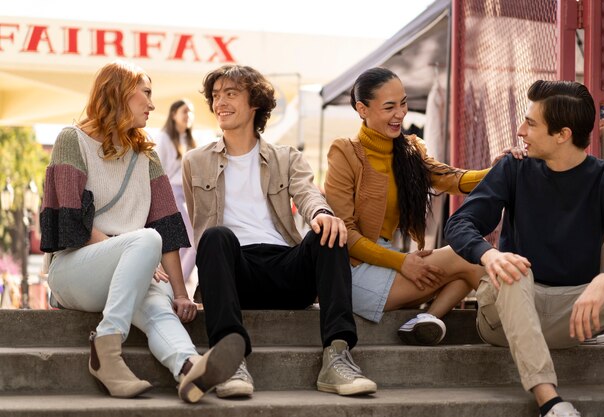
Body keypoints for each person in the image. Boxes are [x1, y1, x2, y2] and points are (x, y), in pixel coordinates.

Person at [39, 60, 244, 403]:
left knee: (158, 306)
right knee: (147, 240)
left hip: (131, 268)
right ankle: (106, 346)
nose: (152, 104)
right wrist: (135, 253)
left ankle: (189, 367)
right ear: (119, 93)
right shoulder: (71, 140)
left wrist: (180, 293)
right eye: (146, 93)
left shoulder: (146, 154)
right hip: (74, 271)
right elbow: (68, 221)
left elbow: (168, 223)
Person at [182, 64, 377, 399]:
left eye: (230, 94)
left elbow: (307, 193)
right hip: (234, 271)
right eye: (215, 96)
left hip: (285, 270)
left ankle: (337, 356)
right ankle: (230, 359)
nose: (219, 103)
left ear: (254, 102)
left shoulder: (287, 158)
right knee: (215, 236)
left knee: (329, 230)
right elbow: (199, 223)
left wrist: (321, 213)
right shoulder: (194, 161)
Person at [444, 80, 604, 417]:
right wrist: (491, 254)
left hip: (570, 314)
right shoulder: (513, 168)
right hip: (504, 312)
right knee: (515, 269)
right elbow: (458, 223)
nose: (520, 131)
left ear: (562, 134)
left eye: (531, 123)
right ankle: (550, 402)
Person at [324, 67, 514, 346]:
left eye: (403, 103)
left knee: (469, 258)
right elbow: (346, 235)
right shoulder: (345, 152)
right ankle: (518, 330)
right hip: (353, 271)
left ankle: (425, 321)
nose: (400, 113)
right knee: (470, 257)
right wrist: (403, 262)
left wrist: (497, 171)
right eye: (389, 107)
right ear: (362, 109)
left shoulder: (410, 149)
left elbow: (450, 179)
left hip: (391, 261)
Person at [154, 99, 197, 284]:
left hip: (188, 195)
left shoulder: (189, 140)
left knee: (185, 244)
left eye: (191, 112)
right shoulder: (163, 138)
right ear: (173, 114)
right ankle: (175, 284)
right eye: (185, 111)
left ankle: (171, 285)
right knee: (192, 242)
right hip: (171, 194)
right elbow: (158, 171)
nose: (189, 115)